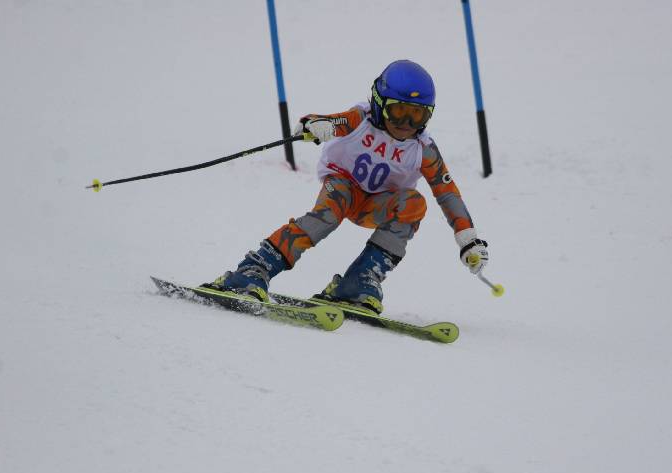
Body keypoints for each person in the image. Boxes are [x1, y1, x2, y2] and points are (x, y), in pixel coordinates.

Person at [205, 59, 489, 314]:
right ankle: (254, 269)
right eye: (398, 111)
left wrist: (468, 239)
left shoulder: (423, 149)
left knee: (414, 203)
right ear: (378, 102)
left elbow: (447, 192)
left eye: (417, 115)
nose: (406, 123)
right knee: (329, 213)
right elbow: (327, 121)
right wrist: (313, 125)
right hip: (343, 186)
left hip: (376, 204)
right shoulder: (360, 119)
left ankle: (359, 281)